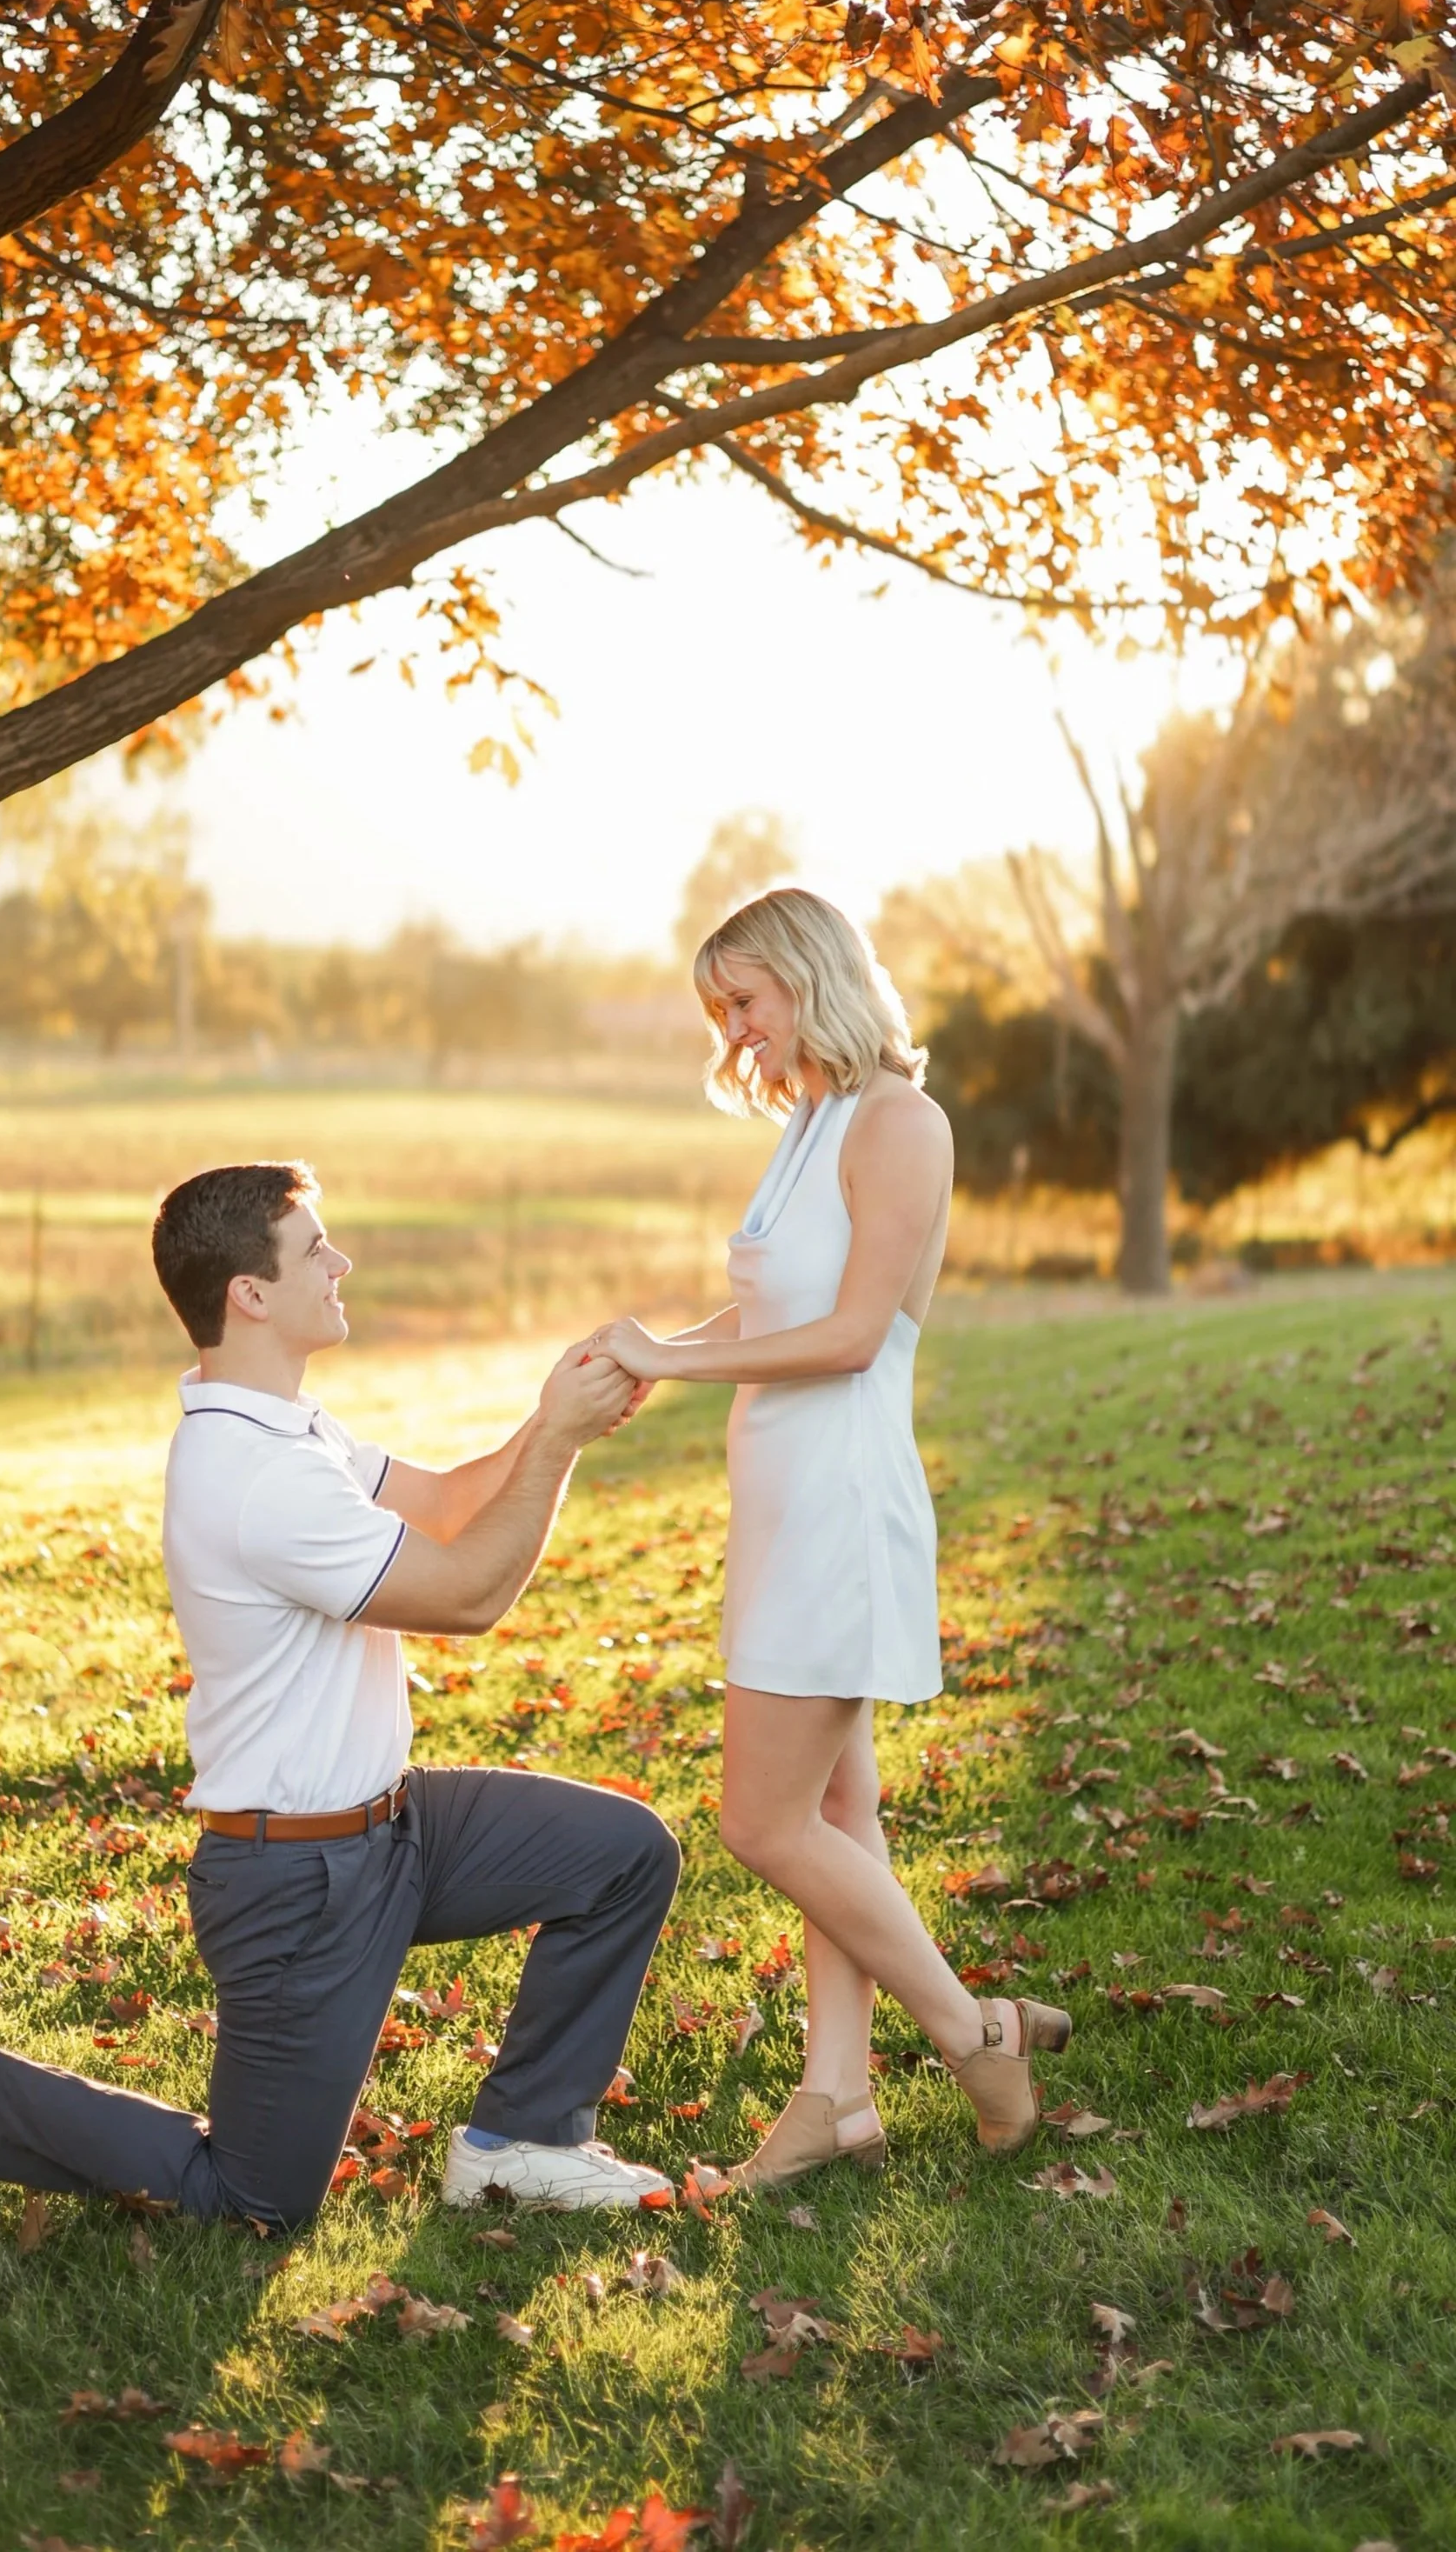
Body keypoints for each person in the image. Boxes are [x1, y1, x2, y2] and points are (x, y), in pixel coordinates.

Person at [0, 1160, 681, 2232]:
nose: (339, 1262)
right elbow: (466, 1593)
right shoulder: (255, 1476)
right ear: (248, 1294)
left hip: (399, 1829)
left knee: (623, 1855)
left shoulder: (291, 1430)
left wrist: (547, 1422)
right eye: (315, 1249)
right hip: (295, 1879)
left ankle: (522, 2141)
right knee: (254, 2198)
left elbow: (446, 1504)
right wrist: (561, 1445)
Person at [590, 890, 1068, 2182]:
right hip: (782, 1498)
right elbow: (768, 1306)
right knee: (842, 1810)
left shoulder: (901, 1122)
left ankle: (977, 2032)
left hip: (845, 1498)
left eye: (746, 1000)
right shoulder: (812, 1121)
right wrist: (655, 1346)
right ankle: (835, 2100)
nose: (734, 1031)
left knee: (763, 1819)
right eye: (721, 1010)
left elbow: (853, 1333)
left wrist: (679, 1366)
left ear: (811, 978)